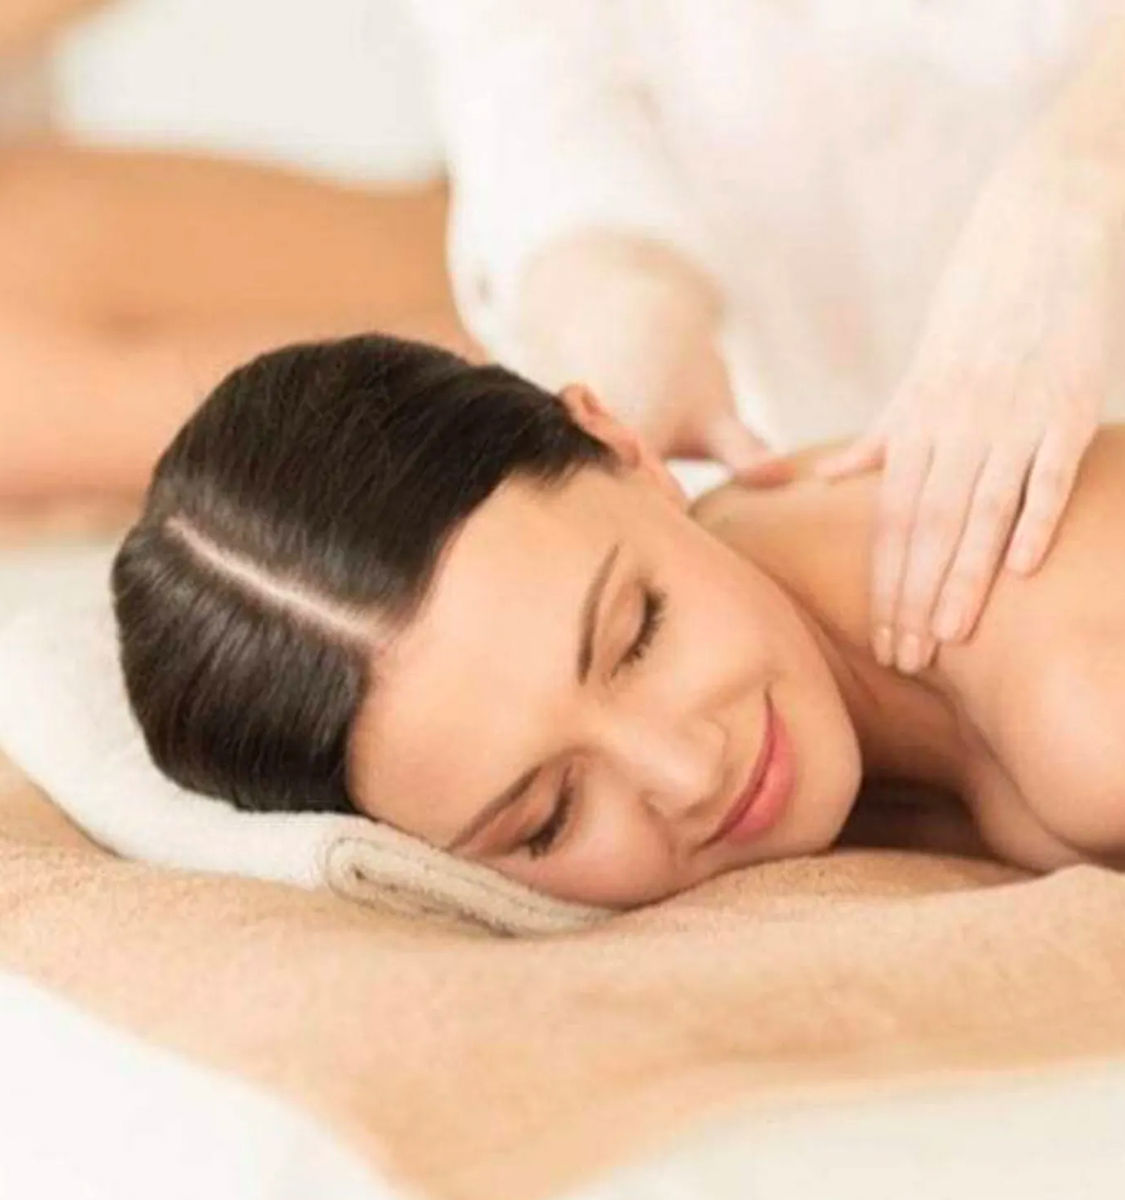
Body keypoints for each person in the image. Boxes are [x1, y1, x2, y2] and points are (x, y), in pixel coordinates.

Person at [110, 332, 1124, 911]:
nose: (688, 775)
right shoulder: (750, 536)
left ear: (623, 443)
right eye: (547, 817)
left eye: (640, 633)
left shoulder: (1081, 705)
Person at [407, 1, 1125, 678]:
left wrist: (1076, 181)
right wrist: (630, 324)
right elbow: (540, 112)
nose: (686, 780)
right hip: (785, 436)